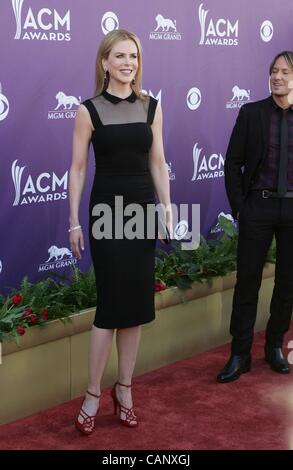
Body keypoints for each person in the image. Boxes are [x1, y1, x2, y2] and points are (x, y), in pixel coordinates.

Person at [68, 29, 171, 433]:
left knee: (136, 309)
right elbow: (77, 168)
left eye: (134, 56)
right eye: (120, 56)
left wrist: (166, 210)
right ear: (104, 62)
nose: (128, 63)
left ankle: (124, 389)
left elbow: (158, 163)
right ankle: (93, 392)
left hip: (143, 212)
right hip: (107, 214)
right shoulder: (87, 110)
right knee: (110, 308)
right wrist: (74, 220)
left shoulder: (152, 107)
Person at [217, 51, 293, 383]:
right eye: (274, 71)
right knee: (247, 280)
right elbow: (232, 162)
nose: (278, 77)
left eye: (286, 72)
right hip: (258, 208)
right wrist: (240, 208)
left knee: (288, 284)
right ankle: (240, 353)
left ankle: (274, 345)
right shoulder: (251, 113)